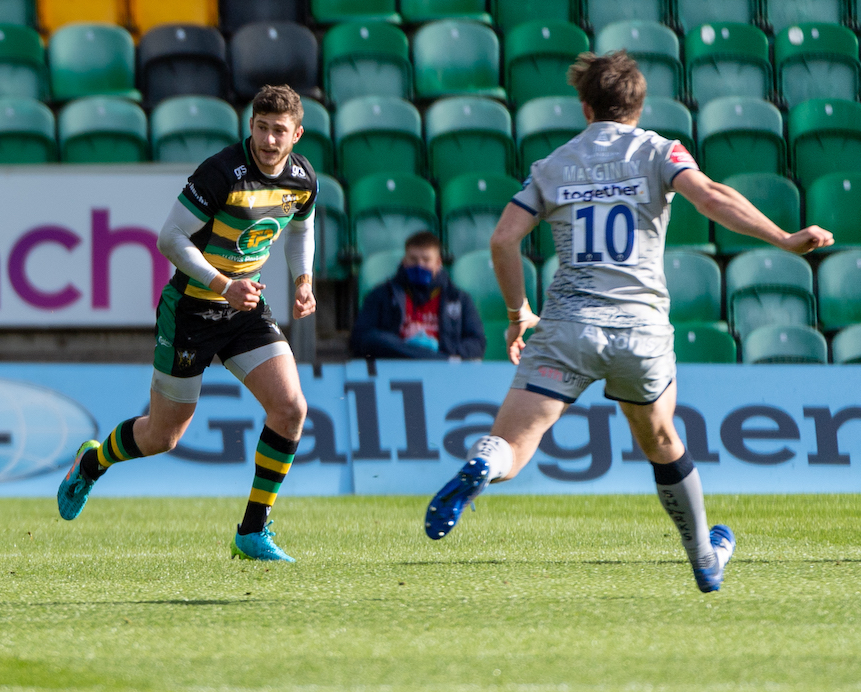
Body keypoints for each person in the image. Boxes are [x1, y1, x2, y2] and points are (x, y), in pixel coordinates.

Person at [423, 51, 835, 592]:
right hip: (639, 330)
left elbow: (503, 240)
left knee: (514, 445)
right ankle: (704, 560)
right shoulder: (659, 151)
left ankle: (484, 461)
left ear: (585, 106)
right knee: (662, 441)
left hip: (568, 326)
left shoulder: (553, 165)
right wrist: (782, 238)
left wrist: (519, 313)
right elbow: (711, 197)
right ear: (638, 105)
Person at [54, 85, 319, 562]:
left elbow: (302, 229)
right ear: (250, 125)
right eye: (261, 127)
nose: (268, 140)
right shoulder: (221, 172)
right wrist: (223, 284)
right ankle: (92, 462)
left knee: (290, 409)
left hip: (244, 309)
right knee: (163, 436)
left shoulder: (302, 180)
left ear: (296, 134)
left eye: (279, 131)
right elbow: (170, 238)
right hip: (192, 310)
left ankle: (252, 531)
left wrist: (303, 280)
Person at [351, 231, 486, 360]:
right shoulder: (382, 294)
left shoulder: (459, 299)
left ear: (438, 263)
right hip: (398, 365)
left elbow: (477, 342)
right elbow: (361, 338)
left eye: (426, 260)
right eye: (413, 259)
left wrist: (443, 351)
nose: (419, 265)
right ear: (404, 261)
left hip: (443, 369)